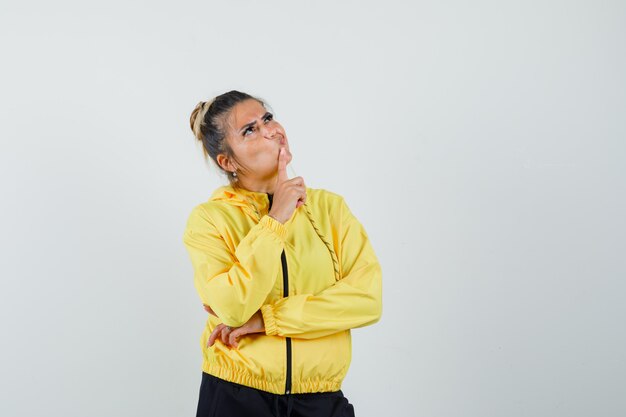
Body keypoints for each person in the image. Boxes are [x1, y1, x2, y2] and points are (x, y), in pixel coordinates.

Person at [183, 90, 382, 417]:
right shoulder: (209, 219)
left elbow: (367, 300)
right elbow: (233, 308)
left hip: (320, 399)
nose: (270, 130)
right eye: (250, 130)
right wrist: (276, 219)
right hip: (237, 397)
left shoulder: (330, 209)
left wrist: (269, 319)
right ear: (227, 162)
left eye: (268, 118)